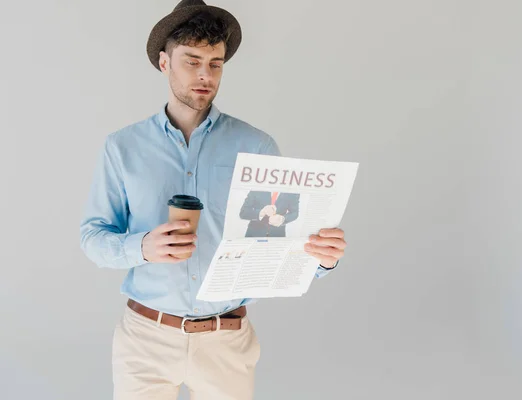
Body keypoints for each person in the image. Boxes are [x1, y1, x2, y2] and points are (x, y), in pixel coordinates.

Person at [78, 1, 347, 399]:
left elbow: (279, 247)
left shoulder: (256, 146)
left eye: (215, 64)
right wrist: (143, 247)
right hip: (145, 340)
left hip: (227, 342)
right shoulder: (123, 147)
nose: (205, 76)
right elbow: (93, 239)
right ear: (163, 62)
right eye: (192, 61)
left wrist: (323, 258)